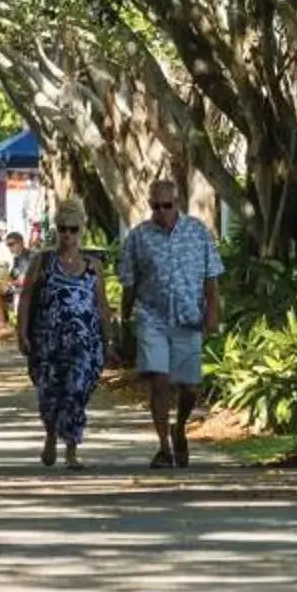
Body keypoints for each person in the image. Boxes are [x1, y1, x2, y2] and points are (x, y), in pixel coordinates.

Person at [118, 177, 224, 468]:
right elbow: (129, 282)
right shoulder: (139, 237)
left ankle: (180, 429)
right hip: (152, 318)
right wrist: (123, 315)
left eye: (167, 205)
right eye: (155, 206)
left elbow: (211, 278)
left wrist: (212, 312)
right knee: (160, 381)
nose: (161, 211)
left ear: (177, 203)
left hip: (189, 319)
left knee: (190, 386)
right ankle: (164, 446)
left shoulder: (197, 232)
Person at [13, 200, 106, 469]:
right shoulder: (42, 262)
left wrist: (108, 340)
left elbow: (101, 305)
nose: (67, 235)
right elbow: (27, 297)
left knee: (76, 392)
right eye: (62, 229)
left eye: (73, 229)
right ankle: (51, 434)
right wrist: (22, 332)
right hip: (48, 341)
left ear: (81, 230)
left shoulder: (92, 265)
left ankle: (72, 449)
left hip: (83, 342)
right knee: (50, 393)